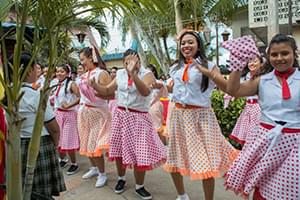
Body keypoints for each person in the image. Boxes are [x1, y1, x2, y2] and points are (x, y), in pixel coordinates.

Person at [222, 34, 300, 199]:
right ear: (268, 56)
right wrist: (237, 63)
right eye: (274, 54)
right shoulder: (262, 81)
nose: (279, 58)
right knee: (263, 185)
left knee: (291, 186)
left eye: (285, 53)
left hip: (295, 144)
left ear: (295, 53)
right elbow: (233, 90)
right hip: (266, 141)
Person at [164, 30, 236, 200]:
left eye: (190, 42)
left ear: (198, 45)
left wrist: (211, 74)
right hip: (179, 116)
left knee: (206, 163)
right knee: (174, 157)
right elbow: (174, 90)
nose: (186, 46)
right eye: (183, 43)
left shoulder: (210, 65)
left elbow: (226, 87)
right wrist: (165, 87)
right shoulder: (175, 67)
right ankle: (181, 195)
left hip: (201, 117)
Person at [89, 49, 166, 200]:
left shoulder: (147, 74)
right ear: (123, 62)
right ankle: (121, 179)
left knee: (140, 153)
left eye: (134, 61)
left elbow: (144, 92)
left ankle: (139, 186)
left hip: (139, 118)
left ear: (139, 61)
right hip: (121, 115)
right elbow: (107, 90)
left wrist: (133, 74)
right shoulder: (119, 74)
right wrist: (95, 85)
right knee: (118, 150)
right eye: (127, 62)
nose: (130, 64)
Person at [15, 53, 66, 199]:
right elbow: (54, 128)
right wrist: (55, 144)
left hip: (18, 146)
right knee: (41, 192)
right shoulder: (35, 95)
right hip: (39, 146)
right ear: (29, 70)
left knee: (25, 190)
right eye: (35, 67)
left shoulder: (9, 93)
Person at [78, 46, 112, 188]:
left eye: (83, 59)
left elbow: (110, 94)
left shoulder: (101, 73)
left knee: (95, 144)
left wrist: (95, 89)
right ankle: (94, 168)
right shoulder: (83, 75)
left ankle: (102, 173)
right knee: (86, 142)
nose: (81, 63)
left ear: (91, 58)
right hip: (85, 112)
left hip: (98, 113)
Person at [228, 56, 265, 146]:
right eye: (249, 62)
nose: (251, 64)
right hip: (248, 108)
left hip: (259, 109)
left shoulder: (264, 77)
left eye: (255, 61)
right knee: (246, 135)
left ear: (261, 64)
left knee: (257, 136)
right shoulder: (246, 76)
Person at [53, 64, 81, 175]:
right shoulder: (55, 83)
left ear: (67, 73)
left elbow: (80, 97)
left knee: (69, 140)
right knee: (58, 139)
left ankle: (74, 163)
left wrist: (69, 105)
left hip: (69, 114)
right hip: (58, 114)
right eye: (57, 71)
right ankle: (63, 159)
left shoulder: (71, 84)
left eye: (62, 71)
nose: (59, 73)